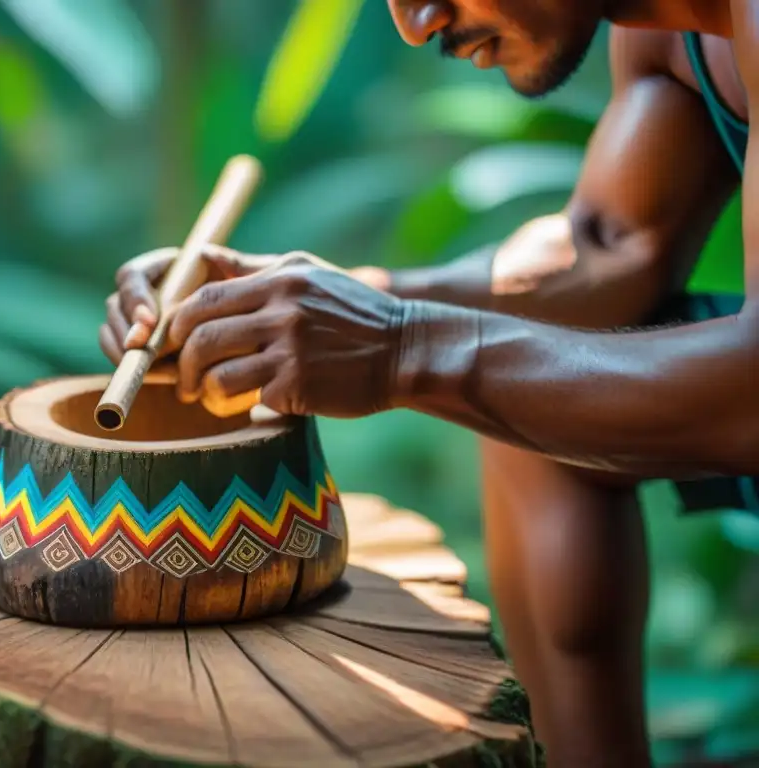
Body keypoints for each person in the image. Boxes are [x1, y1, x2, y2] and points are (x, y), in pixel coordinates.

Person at [99, 1, 758, 765]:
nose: (415, 20)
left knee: (505, 377)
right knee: (530, 403)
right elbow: (612, 245)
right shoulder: (664, 30)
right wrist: (325, 300)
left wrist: (399, 347)